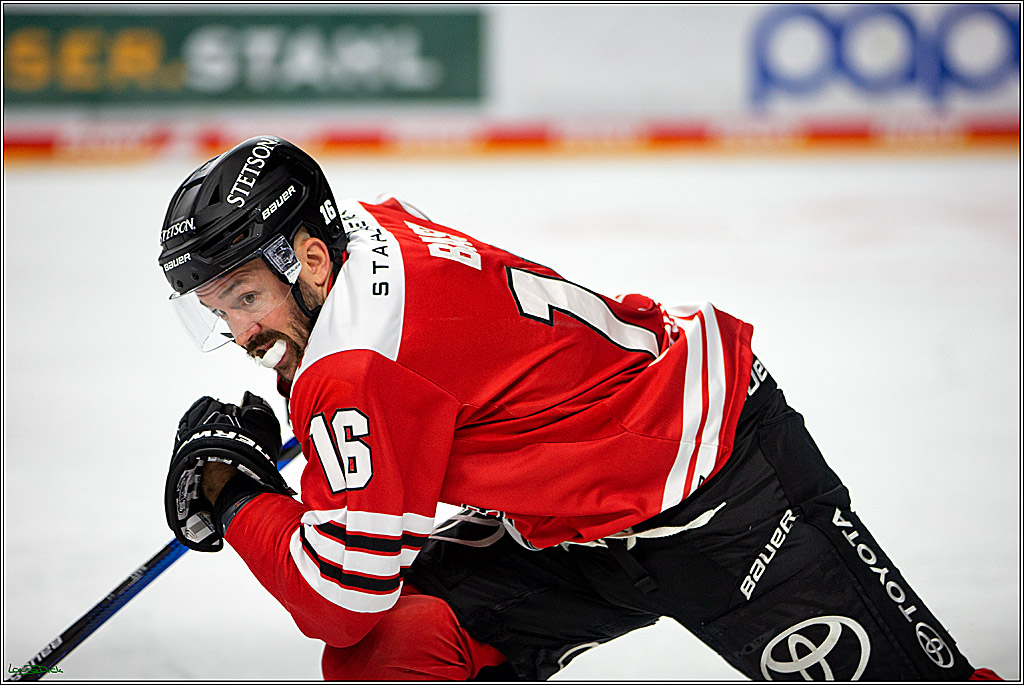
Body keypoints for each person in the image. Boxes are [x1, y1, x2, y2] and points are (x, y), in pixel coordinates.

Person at [159, 135, 1000, 681]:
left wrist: (236, 493)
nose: (238, 331)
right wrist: (319, 417)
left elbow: (338, 594)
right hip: (574, 518)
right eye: (219, 309)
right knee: (393, 651)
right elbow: (425, 374)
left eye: (245, 297)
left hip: (722, 491)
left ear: (309, 257)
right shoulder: (370, 231)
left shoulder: (351, 369)